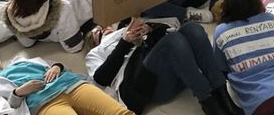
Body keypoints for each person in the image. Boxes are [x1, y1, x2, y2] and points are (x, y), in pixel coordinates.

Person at [86, 19, 241, 115]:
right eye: (95, 32)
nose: (101, 29)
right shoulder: (95, 53)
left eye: (102, 26)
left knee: (192, 29)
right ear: (92, 41)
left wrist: (150, 29)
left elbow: (165, 35)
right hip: (144, 87)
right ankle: (210, 104)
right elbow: (101, 78)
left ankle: (223, 95)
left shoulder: (124, 30)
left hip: (176, 71)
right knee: (173, 41)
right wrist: (124, 43)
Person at [0, 56, 134, 115]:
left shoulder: (21, 60)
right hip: (42, 104)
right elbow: (3, 110)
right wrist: (18, 92)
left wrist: (57, 66)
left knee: (121, 113)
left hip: (69, 84)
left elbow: (53, 65)